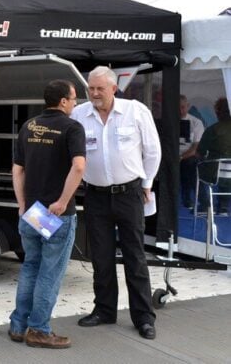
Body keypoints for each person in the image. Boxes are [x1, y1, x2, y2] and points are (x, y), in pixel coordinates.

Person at [72, 66, 161, 340]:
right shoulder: (79, 115)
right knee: (101, 256)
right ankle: (104, 310)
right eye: (91, 88)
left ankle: (144, 318)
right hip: (95, 195)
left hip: (129, 194)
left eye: (100, 88)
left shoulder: (135, 111)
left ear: (114, 88)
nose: (94, 93)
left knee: (135, 257)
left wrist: (146, 183)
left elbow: (153, 151)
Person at [8, 80, 85, 349]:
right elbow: (79, 167)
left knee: (31, 266)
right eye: (73, 98)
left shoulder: (28, 126)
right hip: (56, 215)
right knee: (50, 273)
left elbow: (17, 170)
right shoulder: (72, 128)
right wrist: (63, 201)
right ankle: (39, 330)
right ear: (63, 101)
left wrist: (22, 204)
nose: (75, 103)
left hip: (32, 211)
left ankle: (18, 326)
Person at [196, 97, 231, 213]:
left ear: (218, 112)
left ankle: (205, 205)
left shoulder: (212, 130)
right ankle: (224, 205)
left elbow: (199, 153)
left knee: (196, 167)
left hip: (214, 172)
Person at [179, 95, 205, 209]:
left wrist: (180, 157)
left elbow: (196, 148)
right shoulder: (168, 122)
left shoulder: (196, 122)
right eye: (178, 108)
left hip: (188, 156)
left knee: (191, 165)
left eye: (183, 107)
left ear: (188, 106)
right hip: (171, 155)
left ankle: (202, 202)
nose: (180, 111)